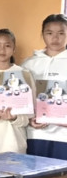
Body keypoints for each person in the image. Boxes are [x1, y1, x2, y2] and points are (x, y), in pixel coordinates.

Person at [23, 14, 67, 158]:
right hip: (34, 134)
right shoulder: (28, 64)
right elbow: (22, 100)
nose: (55, 38)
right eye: (49, 33)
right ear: (42, 34)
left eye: (61, 33)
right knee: (32, 171)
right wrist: (29, 119)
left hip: (63, 137)